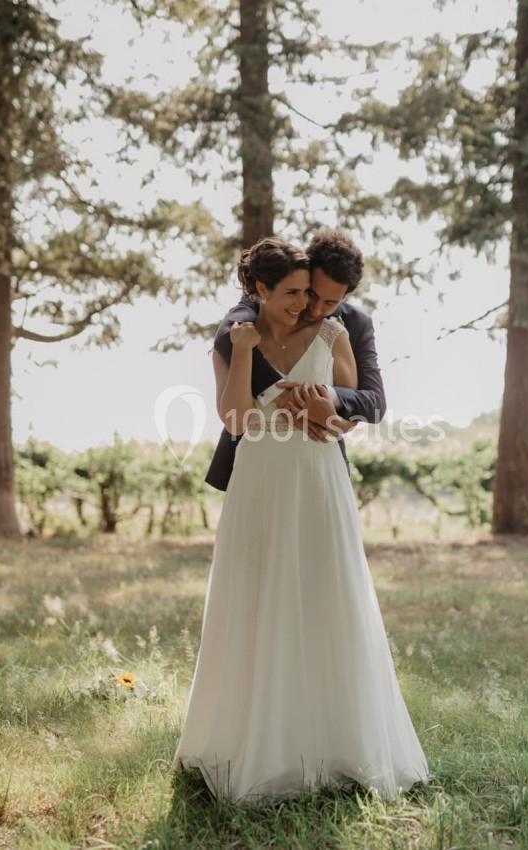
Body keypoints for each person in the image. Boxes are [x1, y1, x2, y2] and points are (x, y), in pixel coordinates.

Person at [172, 236, 430, 804]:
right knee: (254, 595)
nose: (311, 307)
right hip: (259, 479)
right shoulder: (238, 326)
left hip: (317, 480)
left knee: (326, 595)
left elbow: (364, 405)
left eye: (322, 300)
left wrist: (327, 407)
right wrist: (252, 362)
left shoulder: (341, 328)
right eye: (303, 295)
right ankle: (251, 740)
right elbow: (236, 414)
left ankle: (337, 743)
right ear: (268, 288)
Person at [203, 228, 386, 491]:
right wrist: (281, 392)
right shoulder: (266, 304)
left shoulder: (353, 326)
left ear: (345, 298)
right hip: (257, 460)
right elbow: (225, 335)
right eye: (312, 293)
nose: (314, 308)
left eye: (330, 302)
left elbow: (374, 402)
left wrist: (325, 403)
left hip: (318, 463)